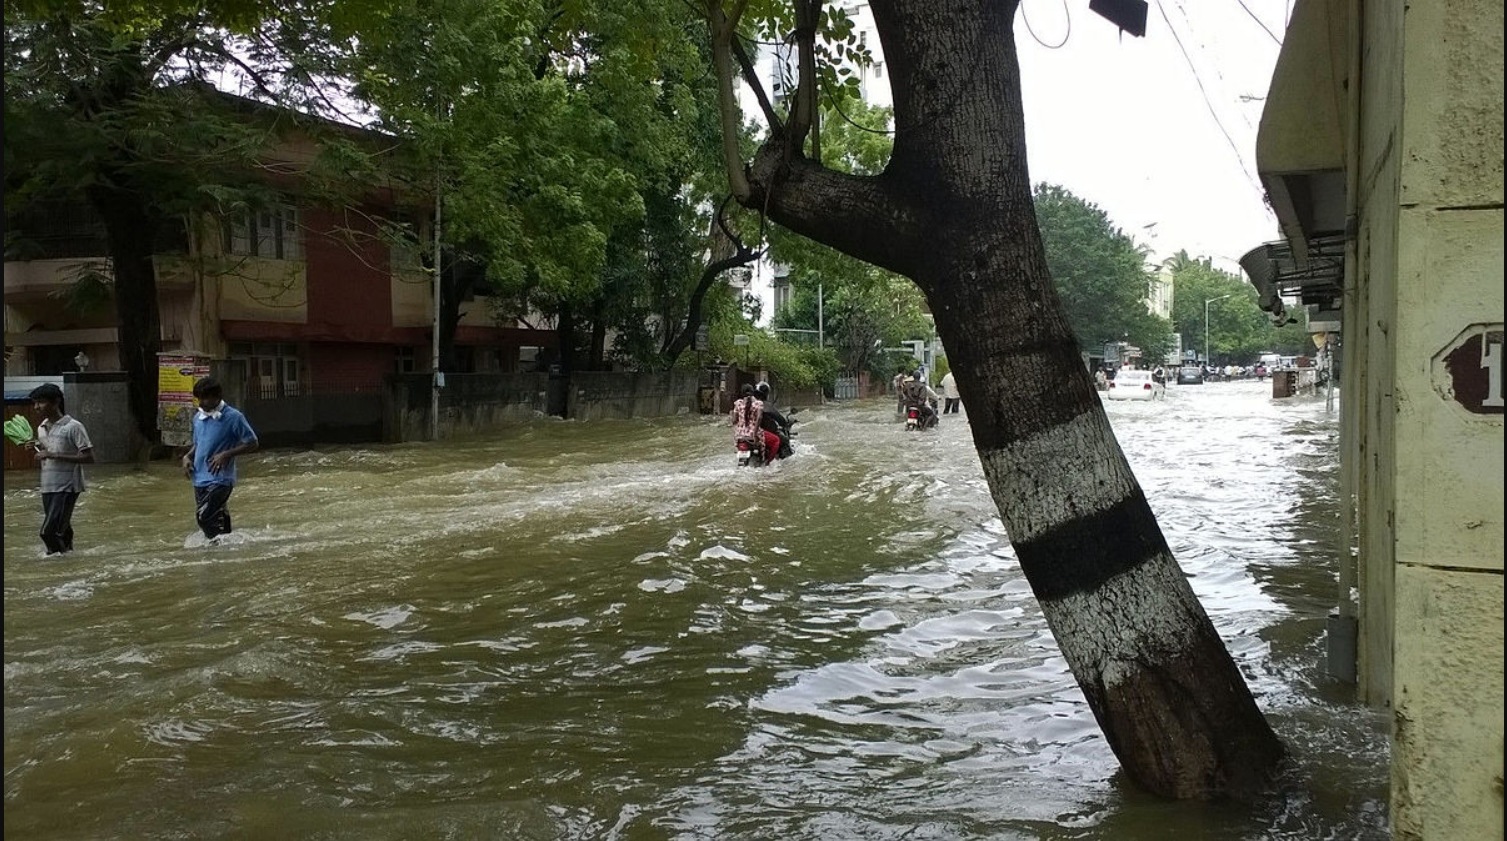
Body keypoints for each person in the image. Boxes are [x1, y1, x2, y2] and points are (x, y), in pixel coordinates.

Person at [181, 376, 258, 541]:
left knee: (203, 517)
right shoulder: (198, 418)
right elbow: (198, 443)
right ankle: (225, 550)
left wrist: (226, 454)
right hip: (199, 477)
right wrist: (187, 456)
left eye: (204, 398)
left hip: (221, 478)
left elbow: (252, 443)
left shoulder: (234, 417)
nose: (200, 403)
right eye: (199, 399)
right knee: (219, 516)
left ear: (217, 397)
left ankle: (213, 546)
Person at [28, 383, 94, 556]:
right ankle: (70, 560)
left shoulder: (73, 426)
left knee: (48, 532)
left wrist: (53, 455)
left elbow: (88, 457)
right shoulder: (41, 428)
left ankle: (56, 564)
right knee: (62, 529)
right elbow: (49, 450)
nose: (36, 407)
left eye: (40, 402)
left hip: (67, 486)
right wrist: (36, 446)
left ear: (56, 402)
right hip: (47, 485)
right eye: (35, 403)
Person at [729, 383, 781, 460]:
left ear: (742, 393)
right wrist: (755, 433)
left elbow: (734, 421)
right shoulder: (758, 403)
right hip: (753, 434)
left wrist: (732, 415)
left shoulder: (738, 403)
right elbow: (759, 417)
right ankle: (768, 462)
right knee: (776, 440)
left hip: (739, 436)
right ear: (753, 392)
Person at [753, 381, 793, 459]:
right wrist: (785, 423)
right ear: (766, 393)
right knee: (785, 440)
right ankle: (784, 462)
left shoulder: (751, 404)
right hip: (766, 433)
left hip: (750, 434)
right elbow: (780, 419)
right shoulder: (766, 405)